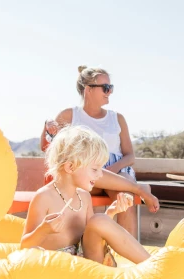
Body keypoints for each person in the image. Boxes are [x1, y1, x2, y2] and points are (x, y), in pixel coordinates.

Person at [41, 65, 154, 236]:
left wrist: (109, 171)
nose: (109, 92)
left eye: (111, 88)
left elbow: (130, 156)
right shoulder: (69, 116)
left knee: (124, 198)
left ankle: (128, 257)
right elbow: (49, 149)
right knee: (88, 172)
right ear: (88, 89)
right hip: (85, 171)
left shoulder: (117, 118)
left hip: (116, 169)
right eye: (106, 88)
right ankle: (139, 189)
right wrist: (47, 129)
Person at [22, 125, 151, 266]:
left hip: (86, 262)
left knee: (99, 220)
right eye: (95, 169)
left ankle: (153, 266)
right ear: (70, 167)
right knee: (97, 220)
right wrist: (43, 230)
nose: (101, 174)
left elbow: (92, 234)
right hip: (60, 266)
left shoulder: (84, 196)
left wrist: (112, 212)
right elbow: (24, 246)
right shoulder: (44, 198)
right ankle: (153, 268)